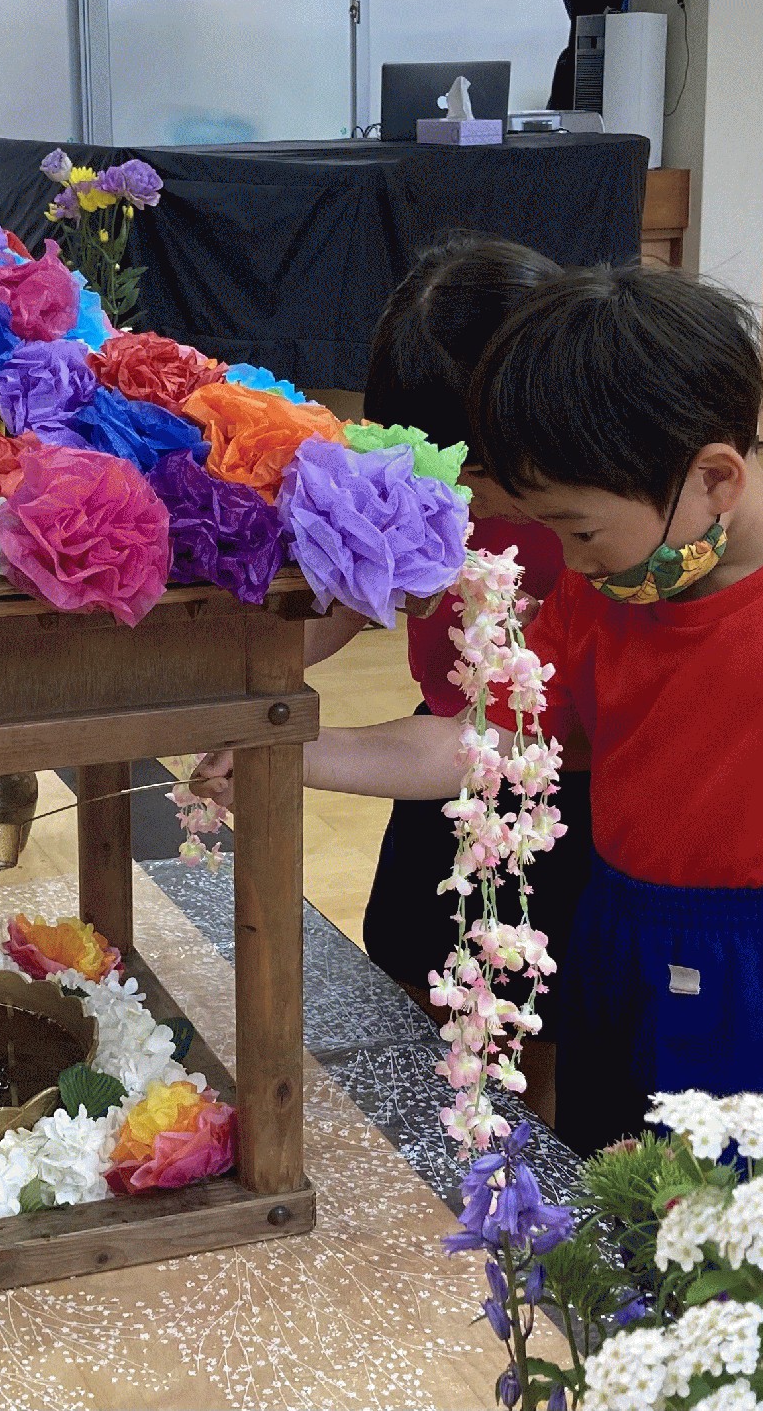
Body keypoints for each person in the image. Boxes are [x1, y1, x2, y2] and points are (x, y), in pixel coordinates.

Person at [462, 263, 763, 1160]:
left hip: (756, 967)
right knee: (606, 1184)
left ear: (715, 479)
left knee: (738, 1217)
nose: (570, 563)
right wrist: (296, 747)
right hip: (612, 930)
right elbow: (495, 741)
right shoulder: (611, 589)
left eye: (580, 530)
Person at [195, 235, 594, 1124]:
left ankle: (521, 1171)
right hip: (440, 770)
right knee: (413, 973)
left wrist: (286, 750)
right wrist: (228, 680)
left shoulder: (586, 524)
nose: (465, 491)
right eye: (439, 461)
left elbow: (497, 740)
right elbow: (353, 596)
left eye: (480, 468)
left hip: (556, 793)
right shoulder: (431, 480)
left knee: (536, 1034)